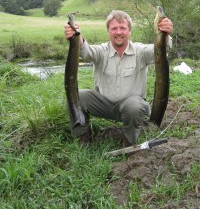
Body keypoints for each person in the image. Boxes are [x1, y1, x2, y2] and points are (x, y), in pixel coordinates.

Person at [64, 10, 173, 145]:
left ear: (129, 31)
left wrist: (165, 35)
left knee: (134, 106)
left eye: (123, 28)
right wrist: (77, 37)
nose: (118, 32)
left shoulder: (140, 51)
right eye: (114, 28)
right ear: (108, 32)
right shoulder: (101, 51)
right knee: (75, 97)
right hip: (103, 103)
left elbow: (161, 50)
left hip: (130, 107)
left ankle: (129, 139)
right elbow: (86, 52)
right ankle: (83, 135)